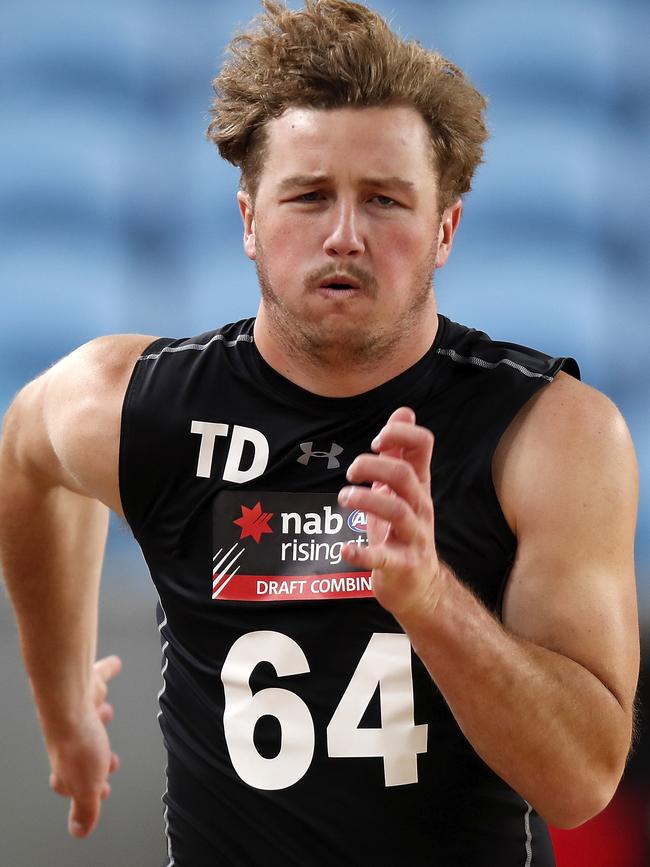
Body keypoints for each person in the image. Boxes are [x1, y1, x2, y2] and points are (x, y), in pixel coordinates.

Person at [0, 1, 639, 864]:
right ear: (249, 222)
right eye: (307, 196)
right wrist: (63, 700)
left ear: (444, 228)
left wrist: (430, 599)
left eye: (384, 199)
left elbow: (582, 782)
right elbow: (28, 458)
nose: (344, 235)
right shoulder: (140, 404)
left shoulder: (548, 432)